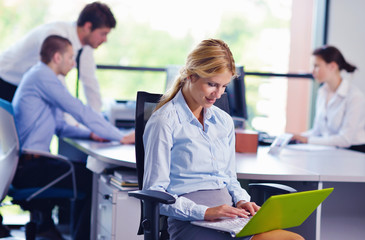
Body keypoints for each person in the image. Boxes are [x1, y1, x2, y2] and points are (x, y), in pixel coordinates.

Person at [143, 39, 304, 240]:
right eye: (212, 84)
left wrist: (242, 201)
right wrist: (205, 212)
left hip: (230, 217)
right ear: (191, 76)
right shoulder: (164, 121)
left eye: (224, 86)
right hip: (191, 222)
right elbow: (154, 192)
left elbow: (229, 178)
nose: (217, 94)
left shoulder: (223, 121)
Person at [11, 35, 134, 240]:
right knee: (92, 179)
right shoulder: (43, 76)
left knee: (85, 172)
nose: (73, 63)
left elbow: (60, 126)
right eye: (70, 57)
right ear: (57, 57)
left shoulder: (40, 77)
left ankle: (50, 227)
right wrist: (120, 137)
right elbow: (79, 110)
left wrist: (91, 134)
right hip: (30, 168)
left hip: (28, 165)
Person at [0, 1, 115, 112]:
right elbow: (58, 90)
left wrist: (97, 120)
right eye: (103, 34)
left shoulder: (86, 46)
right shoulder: (56, 36)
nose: (105, 40)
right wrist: (78, 125)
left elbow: (90, 83)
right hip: (5, 80)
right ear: (88, 26)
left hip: (25, 87)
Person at [292, 45, 365, 153]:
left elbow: (345, 139)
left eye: (316, 66)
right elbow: (317, 131)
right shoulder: (322, 92)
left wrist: (308, 140)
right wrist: (297, 137)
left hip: (353, 153)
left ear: (332, 66)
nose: (313, 71)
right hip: (330, 150)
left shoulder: (354, 96)